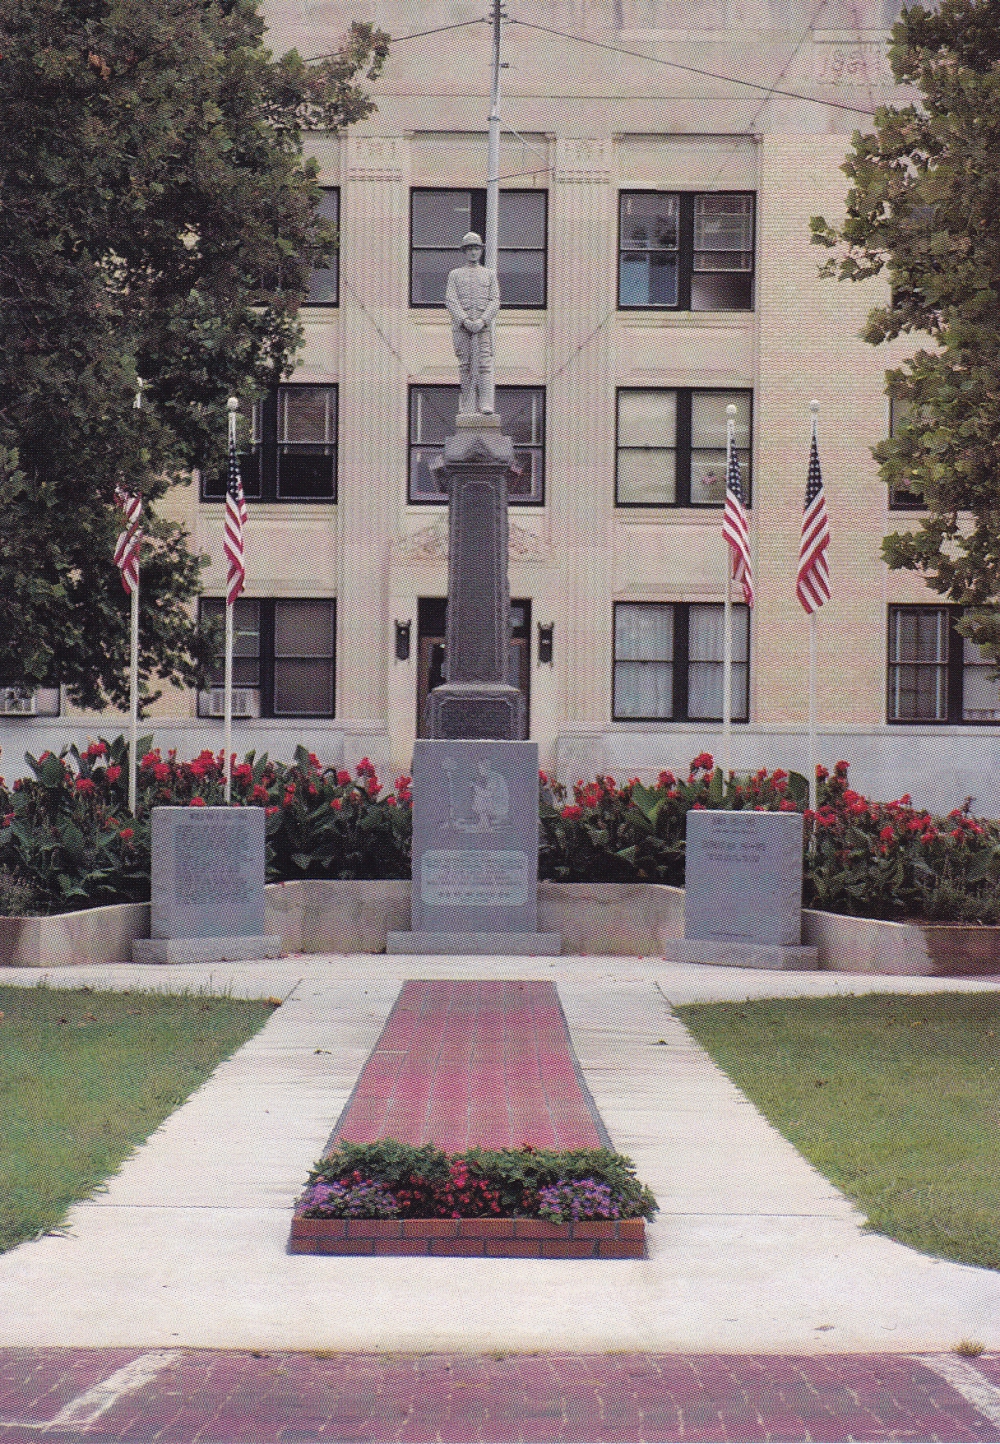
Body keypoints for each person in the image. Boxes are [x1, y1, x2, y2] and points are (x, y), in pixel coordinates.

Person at [445, 231, 500, 415]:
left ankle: (485, 402)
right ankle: (468, 402)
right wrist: (465, 321)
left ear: (481, 250)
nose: (473, 253)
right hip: (462, 329)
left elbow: (495, 300)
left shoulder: (489, 274)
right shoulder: (455, 274)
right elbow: (450, 300)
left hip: (482, 329)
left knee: (484, 364)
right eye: (469, 249)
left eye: (476, 248)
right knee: (466, 365)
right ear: (464, 251)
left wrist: (483, 320)